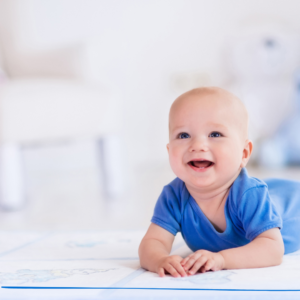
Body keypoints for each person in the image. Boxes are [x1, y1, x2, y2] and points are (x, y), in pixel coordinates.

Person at [138, 87, 300, 278]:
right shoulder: (173, 196)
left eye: (215, 134)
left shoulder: (248, 195)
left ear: (244, 153)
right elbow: (153, 241)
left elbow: (272, 249)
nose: (197, 145)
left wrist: (221, 259)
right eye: (183, 135)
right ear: (168, 150)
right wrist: (159, 259)